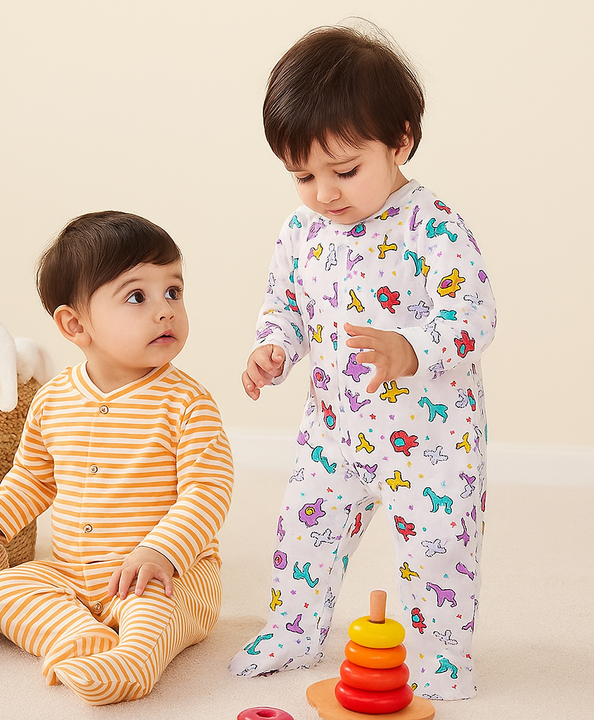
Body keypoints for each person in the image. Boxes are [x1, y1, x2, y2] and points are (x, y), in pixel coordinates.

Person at [228, 25, 496, 701]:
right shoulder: (302, 232)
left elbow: (474, 313)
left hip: (430, 440)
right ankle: (293, 630)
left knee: (439, 550)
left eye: (344, 171)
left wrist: (413, 348)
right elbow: (285, 305)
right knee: (303, 535)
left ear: (400, 142)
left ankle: (441, 657)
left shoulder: (431, 226)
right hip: (334, 433)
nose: (324, 192)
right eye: (303, 176)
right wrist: (274, 348)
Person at [0, 211, 234, 706]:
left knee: (155, 611)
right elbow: (31, 479)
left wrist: (161, 552)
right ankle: (81, 639)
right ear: (75, 324)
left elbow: (207, 492)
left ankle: (134, 663)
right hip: (73, 572)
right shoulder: (54, 399)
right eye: (137, 296)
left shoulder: (187, 403)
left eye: (173, 291)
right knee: (3, 589)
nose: (165, 311)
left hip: (169, 573)